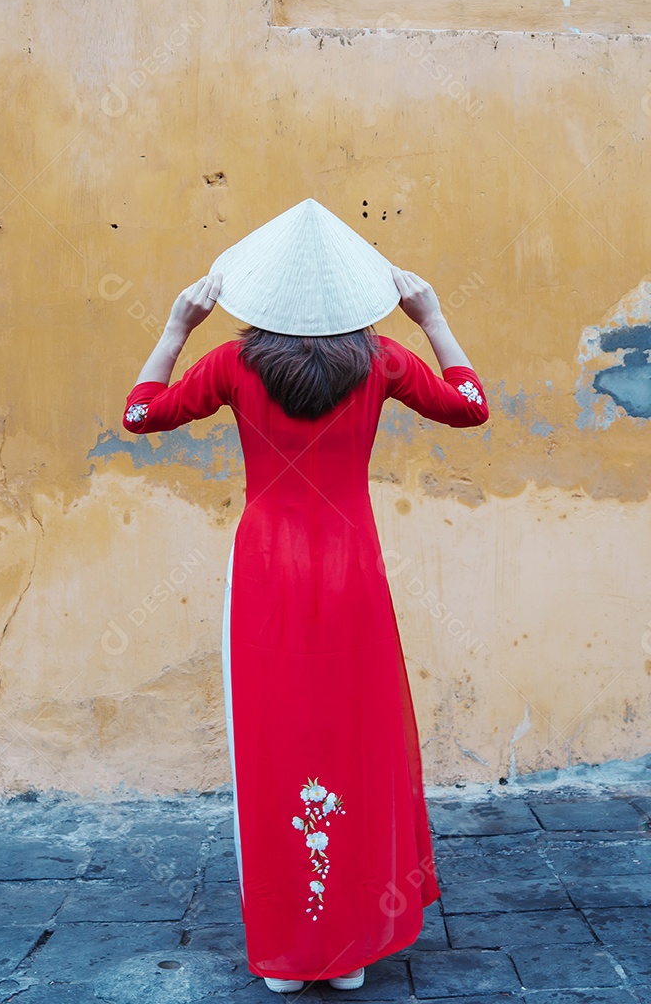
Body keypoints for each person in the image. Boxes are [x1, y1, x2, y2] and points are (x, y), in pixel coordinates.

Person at [122, 201, 489, 994]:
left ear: (263, 290)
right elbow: (472, 406)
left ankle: (286, 953)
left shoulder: (233, 366)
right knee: (355, 741)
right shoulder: (384, 360)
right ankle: (350, 947)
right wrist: (432, 317)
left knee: (272, 747)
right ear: (361, 292)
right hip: (352, 571)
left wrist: (178, 327)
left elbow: (139, 413)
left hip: (263, 575)